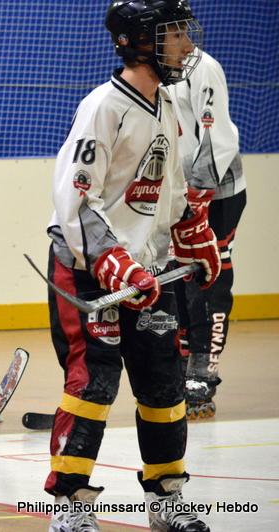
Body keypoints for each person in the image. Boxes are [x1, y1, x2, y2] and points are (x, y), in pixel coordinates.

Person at [43, 1, 220, 530]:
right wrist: (113, 261)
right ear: (138, 41)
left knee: (164, 387)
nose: (187, 46)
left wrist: (192, 233)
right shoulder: (103, 106)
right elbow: (76, 198)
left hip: (150, 273)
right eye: (175, 35)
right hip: (89, 274)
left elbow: (168, 188)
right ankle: (70, 508)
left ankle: (166, 500)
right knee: (93, 386)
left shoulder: (168, 102)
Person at [167, 48, 247, 420]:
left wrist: (199, 192)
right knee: (180, 277)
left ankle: (203, 371)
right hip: (180, 192)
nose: (183, 40)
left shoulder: (202, 67)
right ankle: (184, 362)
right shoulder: (156, 69)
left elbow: (219, 136)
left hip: (217, 195)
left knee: (210, 276)